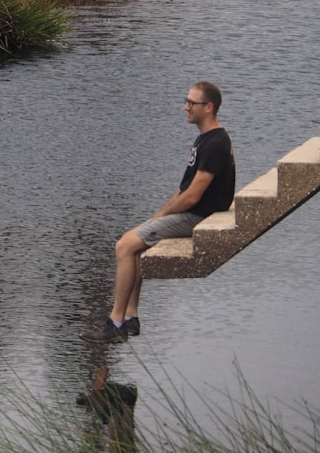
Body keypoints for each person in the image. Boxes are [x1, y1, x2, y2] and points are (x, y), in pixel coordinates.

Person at [80, 81, 236, 343]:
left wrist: (163, 216)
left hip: (200, 217)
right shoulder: (207, 139)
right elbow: (183, 189)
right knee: (134, 240)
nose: (185, 107)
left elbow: (193, 196)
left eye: (191, 103)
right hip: (194, 212)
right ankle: (130, 317)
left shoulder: (216, 144)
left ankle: (115, 322)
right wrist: (159, 214)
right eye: (186, 101)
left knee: (124, 247)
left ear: (208, 108)